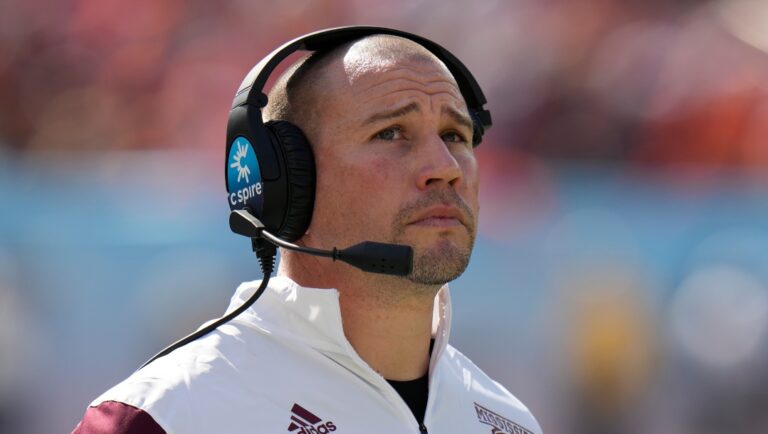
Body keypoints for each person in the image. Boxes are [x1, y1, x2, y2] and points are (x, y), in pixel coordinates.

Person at [72, 28, 542, 434]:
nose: (444, 168)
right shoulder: (165, 416)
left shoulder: (508, 419)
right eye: (391, 133)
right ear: (289, 183)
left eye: (455, 136)